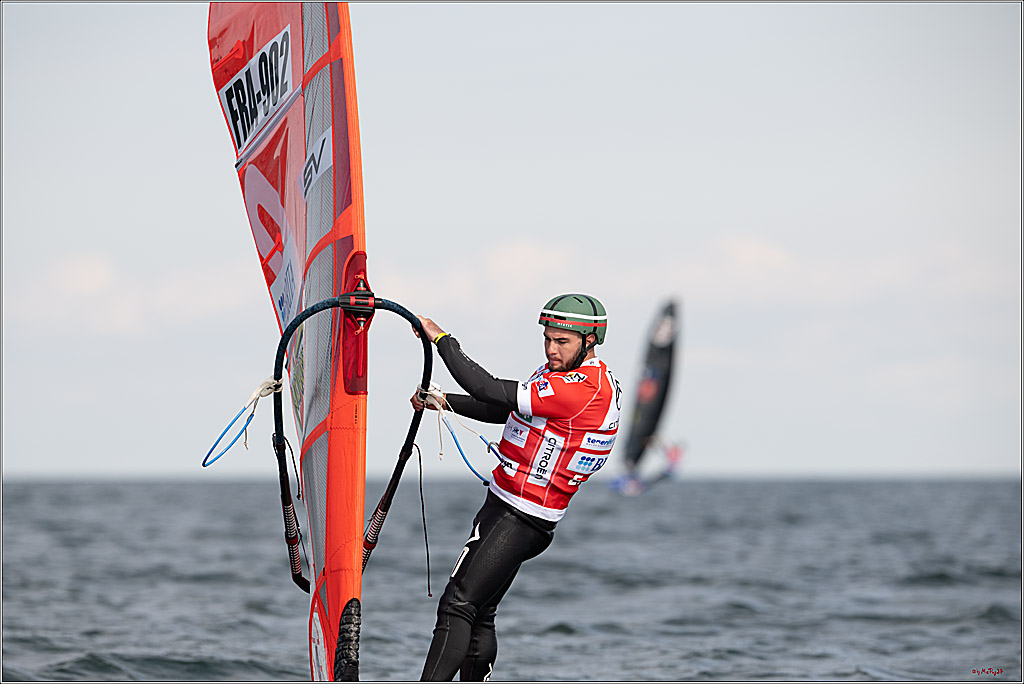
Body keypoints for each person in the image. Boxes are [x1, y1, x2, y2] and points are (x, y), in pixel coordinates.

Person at [411, 294, 621, 681]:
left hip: (519, 517)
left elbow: (487, 388)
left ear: (589, 341)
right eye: (547, 339)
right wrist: (444, 401)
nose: (552, 349)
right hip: (508, 507)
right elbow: (503, 408)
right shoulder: (561, 376)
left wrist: (442, 339)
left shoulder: (583, 389)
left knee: (457, 605)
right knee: (479, 613)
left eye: (562, 341)